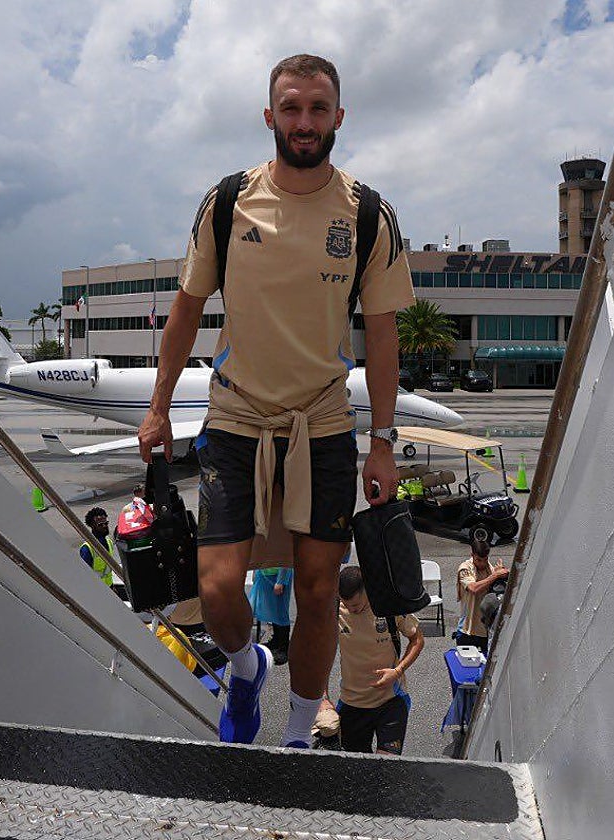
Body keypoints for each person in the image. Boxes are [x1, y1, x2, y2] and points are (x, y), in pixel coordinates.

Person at [137, 54, 413, 747]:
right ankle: (245, 662)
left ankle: (295, 730)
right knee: (219, 584)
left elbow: (382, 334)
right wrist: (159, 403)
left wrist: (382, 440)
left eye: (318, 109)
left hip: (320, 420)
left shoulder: (370, 214)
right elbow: (187, 307)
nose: (304, 122)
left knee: (320, 589)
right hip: (235, 412)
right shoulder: (229, 201)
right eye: (291, 108)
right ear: (270, 116)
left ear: (339, 118)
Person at [335, 566, 424, 754]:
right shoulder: (334, 609)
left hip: (391, 700)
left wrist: (397, 671)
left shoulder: (388, 604)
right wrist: (323, 699)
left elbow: (417, 640)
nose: (352, 610)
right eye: (347, 605)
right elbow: (318, 652)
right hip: (352, 703)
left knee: (386, 768)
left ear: (367, 590)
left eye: (356, 606)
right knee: (356, 770)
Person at [455, 538, 508, 651]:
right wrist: (495, 576)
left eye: (485, 559)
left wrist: (501, 573)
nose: (482, 563)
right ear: (472, 555)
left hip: (485, 629)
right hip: (467, 629)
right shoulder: (465, 568)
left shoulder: (489, 568)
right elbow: (473, 588)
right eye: (478, 560)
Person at [249, 567, 294, 666]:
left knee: (280, 612)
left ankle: (283, 647)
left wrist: (281, 580)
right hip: (264, 573)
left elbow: (286, 559)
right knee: (273, 610)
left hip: (279, 575)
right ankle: (276, 641)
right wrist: (255, 571)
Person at [79, 507, 125, 598]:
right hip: (96, 593)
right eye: (100, 524)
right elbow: (84, 576)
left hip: (109, 588)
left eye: (106, 523)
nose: (104, 526)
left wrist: (112, 587)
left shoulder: (109, 542)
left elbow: (107, 571)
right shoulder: (87, 549)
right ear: (92, 526)